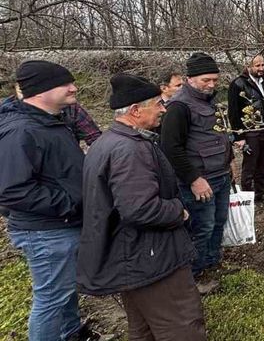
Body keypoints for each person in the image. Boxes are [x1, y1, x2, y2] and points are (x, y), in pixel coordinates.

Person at [78, 74, 205, 340]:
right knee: (181, 324)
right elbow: (139, 209)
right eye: (158, 104)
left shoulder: (108, 142)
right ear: (136, 110)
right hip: (151, 257)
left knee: (143, 327)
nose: (163, 108)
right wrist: (177, 211)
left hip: (132, 256)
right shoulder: (129, 150)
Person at [0, 61, 101, 340]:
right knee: (50, 299)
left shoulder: (50, 120)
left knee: (64, 288)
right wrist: (69, 203)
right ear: (39, 91)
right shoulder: (21, 131)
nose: (74, 87)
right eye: (64, 84)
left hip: (61, 225)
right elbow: (11, 190)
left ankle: (70, 333)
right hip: (46, 231)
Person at [160, 52, 233, 278]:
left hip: (221, 174)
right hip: (200, 180)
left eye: (215, 80)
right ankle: (193, 275)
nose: (211, 84)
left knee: (219, 222)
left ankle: (211, 262)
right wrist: (193, 179)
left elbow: (219, 136)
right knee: (202, 227)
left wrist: (229, 164)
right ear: (190, 78)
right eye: (206, 80)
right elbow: (171, 148)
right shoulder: (179, 107)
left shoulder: (210, 101)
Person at [228, 54, 264, 203]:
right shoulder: (238, 84)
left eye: (263, 65)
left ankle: (260, 193)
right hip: (250, 131)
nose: (261, 68)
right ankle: (248, 197)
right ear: (249, 66)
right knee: (250, 165)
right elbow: (233, 112)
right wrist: (239, 136)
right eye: (257, 66)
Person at [2, 84, 101, 146]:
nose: (73, 88)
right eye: (20, 86)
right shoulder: (8, 117)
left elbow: (95, 138)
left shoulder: (70, 108)